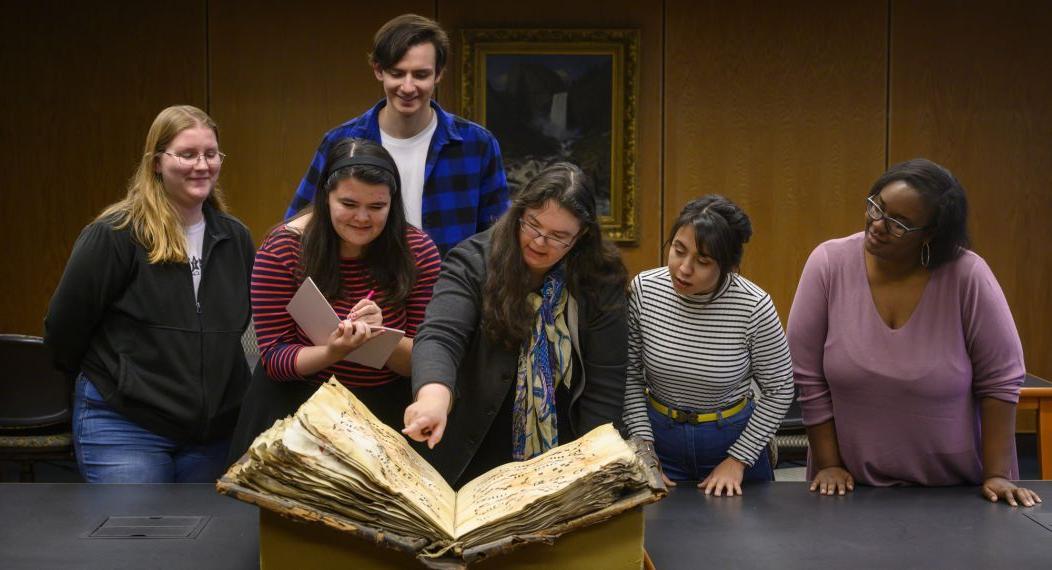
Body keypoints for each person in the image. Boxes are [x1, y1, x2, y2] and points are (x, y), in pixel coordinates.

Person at [787, 158, 1041, 507]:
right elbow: (808, 376)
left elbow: (1001, 380)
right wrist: (829, 464)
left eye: (899, 223)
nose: (878, 224)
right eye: (877, 206)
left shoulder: (968, 275)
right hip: (849, 487)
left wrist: (997, 474)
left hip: (957, 489)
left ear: (932, 235)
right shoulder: (828, 264)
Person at [44, 105, 254, 483]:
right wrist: (121, 379)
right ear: (157, 162)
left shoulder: (235, 238)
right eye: (187, 154)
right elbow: (63, 329)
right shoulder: (116, 234)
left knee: (209, 542)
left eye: (211, 154)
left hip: (213, 435)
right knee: (138, 538)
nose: (202, 165)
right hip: (125, 424)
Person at [402, 162, 628, 487]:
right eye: (533, 226)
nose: (539, 242)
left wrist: (589, 465)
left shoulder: (599, 280)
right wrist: (433, 399)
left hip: (561, 454)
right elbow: (440, 335)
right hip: (470, 448)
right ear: (519, 213)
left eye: (558, 237)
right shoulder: (474, 260)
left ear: (582, 237)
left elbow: (605, 383)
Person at [229, 138, 441, 459]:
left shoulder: (417, 251)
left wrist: (380, 339)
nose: (362, 218)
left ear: (392, 203)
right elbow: (275, 359)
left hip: (383, 406)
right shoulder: (284, 249)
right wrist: (333, 351)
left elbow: (425, 362)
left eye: (377, 207)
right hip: (298, 402)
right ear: (326, 198)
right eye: (349, 204)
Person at [285, 13, 508, 256]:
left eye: (421, 75)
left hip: (450, 288)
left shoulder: (477, 144)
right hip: (358, 287)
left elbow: (497, 237)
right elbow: (296, 228)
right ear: (378, 70)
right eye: (397, 73)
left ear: (439, 74)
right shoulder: (340, 141)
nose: (408, 87)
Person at [622, 196, 794, 496]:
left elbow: (780, 389)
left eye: (703, 262)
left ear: (727, 266)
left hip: (731, 437)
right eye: (678, 250)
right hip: (659, 438)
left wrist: (738, 459)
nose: (684, 269)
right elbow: (630, 377)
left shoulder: (753, 305)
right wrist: (645, 453)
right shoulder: (644, 290)